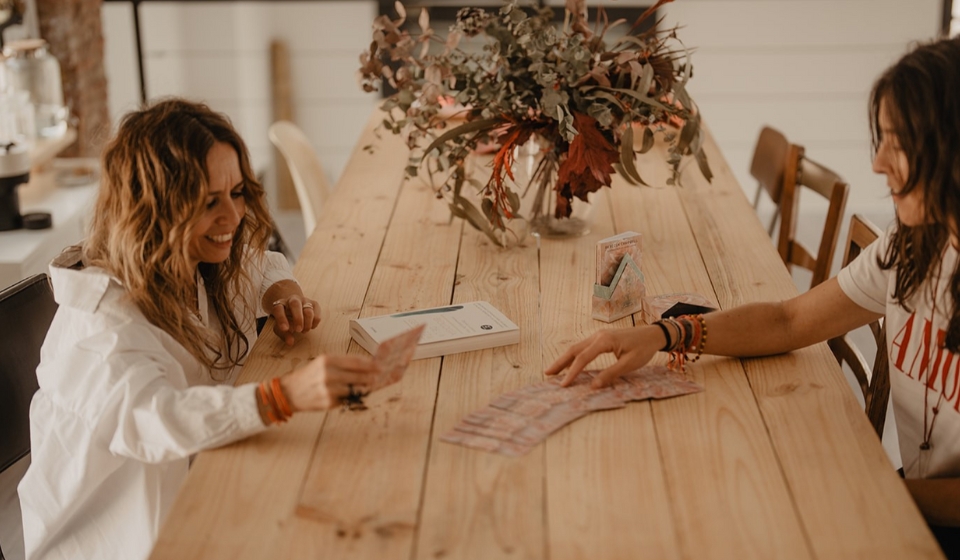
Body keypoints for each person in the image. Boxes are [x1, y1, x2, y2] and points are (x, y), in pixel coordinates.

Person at [546, 36, 960, 554]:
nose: (877, 163)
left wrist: (874, 489)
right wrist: (663, 334)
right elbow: (788, 322)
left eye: (898, 142)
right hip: (910, 499)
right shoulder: (914, 246)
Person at [17, 98, 382, 560]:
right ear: (155, 209)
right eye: (209, 202)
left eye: (237, 192)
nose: (232, 217)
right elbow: (159, 418)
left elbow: (259, 263)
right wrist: (283, 395)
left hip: (197, 489)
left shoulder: (189, 260)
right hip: (125, 542)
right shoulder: (100, 329)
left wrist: (283, 292)